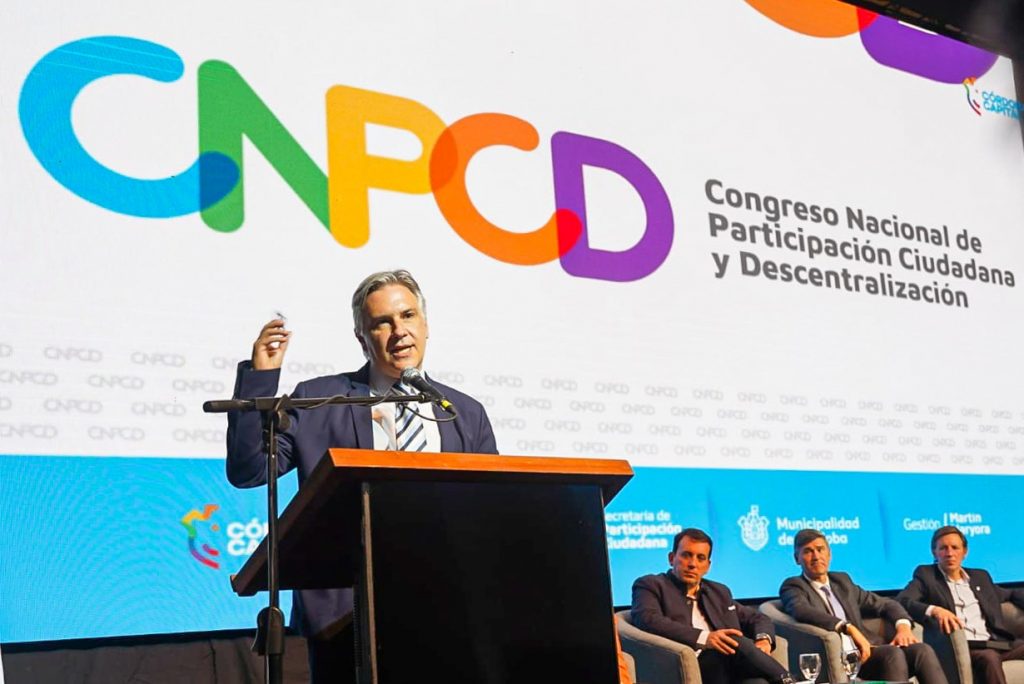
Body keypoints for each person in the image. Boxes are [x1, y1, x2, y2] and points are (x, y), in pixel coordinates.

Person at [225, 269, 498, 683]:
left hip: (447, 611)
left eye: (408, 316)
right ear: (362, 338)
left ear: (426, 325)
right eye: (382, 323)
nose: (399, 331)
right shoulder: (320, 400)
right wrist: (261, 380)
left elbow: (491, 511)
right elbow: (249, 470)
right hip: (346, 618)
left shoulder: (464, 412)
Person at [780, 528, 947, 684]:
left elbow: (885, 604)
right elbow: (802, 610)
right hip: (840, 657)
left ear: (829, 554)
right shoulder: (794, 586)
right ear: (797, 559)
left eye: (820, 549)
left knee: (922, 650)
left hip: (868, 649)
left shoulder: (842, 581)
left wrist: (903, 626)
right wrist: (847, 627)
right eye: (808, 551)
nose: (816, 556)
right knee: (892, 653)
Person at [631, 528, 794, 684]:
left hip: (729, 666)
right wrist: (705, 638)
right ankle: (786, 679)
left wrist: (763, 640)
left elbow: (757, 618)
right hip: (688, 663)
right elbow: (647, 619)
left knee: (756, 682)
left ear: (708, 566)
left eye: (700, 558)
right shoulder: (651, 585)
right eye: (686, 555)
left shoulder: (718, 591)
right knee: (732, 641)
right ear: (672, 558)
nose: (692, 564)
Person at [898, 525, 1024, 684]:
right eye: (943, 548)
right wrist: (935, 610)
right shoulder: (927, 576)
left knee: (994, 654)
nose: (949, 553)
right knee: (990, 658)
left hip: (997, 643)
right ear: (934, 552)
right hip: (964, 649)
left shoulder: (980, 577)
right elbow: (903, 600)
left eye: (955, 547)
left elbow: (1009, 594)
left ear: (965, 552)